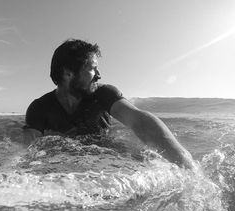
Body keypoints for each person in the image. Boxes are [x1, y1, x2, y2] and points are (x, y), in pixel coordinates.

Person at [25, 39, 194, 169]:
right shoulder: (39, 108)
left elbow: (139, 120)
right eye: (92, 68)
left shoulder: (104, 94)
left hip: (107, 157)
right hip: (65, 163)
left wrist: (185, 162)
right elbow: (28, 150)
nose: (99, 74)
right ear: (68, 73)